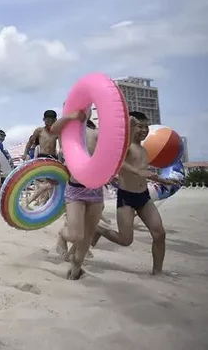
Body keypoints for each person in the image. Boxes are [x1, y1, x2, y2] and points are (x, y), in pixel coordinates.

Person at [91, 111, 178, 275]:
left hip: (143, 196)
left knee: (159, 234)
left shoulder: (144, 150)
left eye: (146, 126)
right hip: (127, 197)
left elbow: (145, 173)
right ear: (131, 126)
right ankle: (99, 230)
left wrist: (163, 180)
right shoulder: (125, 147)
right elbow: (118, 162)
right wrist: (137, 171)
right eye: (140, 126)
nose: (144, 130)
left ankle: (157, 272)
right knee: (125, 240)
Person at [48, 111, 104, 279]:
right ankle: (62, 233)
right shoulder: (67, 132)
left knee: (87, 235)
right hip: (76, 189)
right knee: (75, 235)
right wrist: (71, 117)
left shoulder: (96, 133)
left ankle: (76, 268)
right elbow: (53, 129)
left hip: (95, 190)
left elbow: (115, 149)